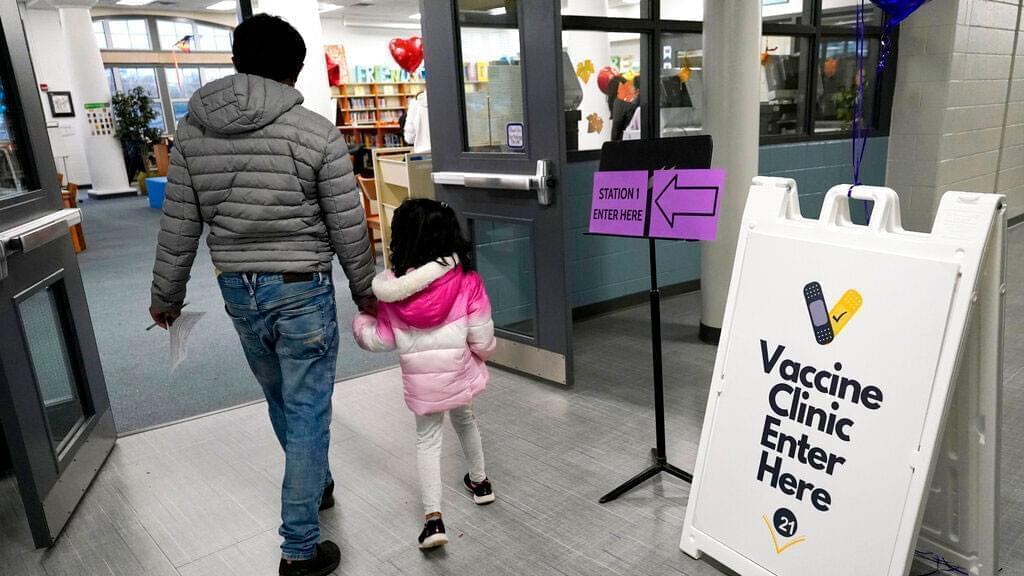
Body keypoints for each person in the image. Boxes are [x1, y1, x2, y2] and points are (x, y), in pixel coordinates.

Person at [148, 14, 375, 576]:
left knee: (282, 399)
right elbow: (348, 223)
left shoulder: (193, 132)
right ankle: (300, 549)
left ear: (236, 60)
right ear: (294, 69)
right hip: (301, 290)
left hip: (239, 293)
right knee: (307, 410)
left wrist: (165, 296)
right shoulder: (317, 131)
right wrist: (367, 290)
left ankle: (315, 483)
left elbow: (179, 223)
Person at [352, 199, 497, 549]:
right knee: (466, 421)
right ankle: (480, 484)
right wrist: (481, 355)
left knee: (427, 442)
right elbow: (482, 338)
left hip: (424, 386)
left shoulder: (393, 294)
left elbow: (381, 339)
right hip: (458, 374)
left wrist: (362, 322)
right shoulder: (467, 282)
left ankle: (434, 521)